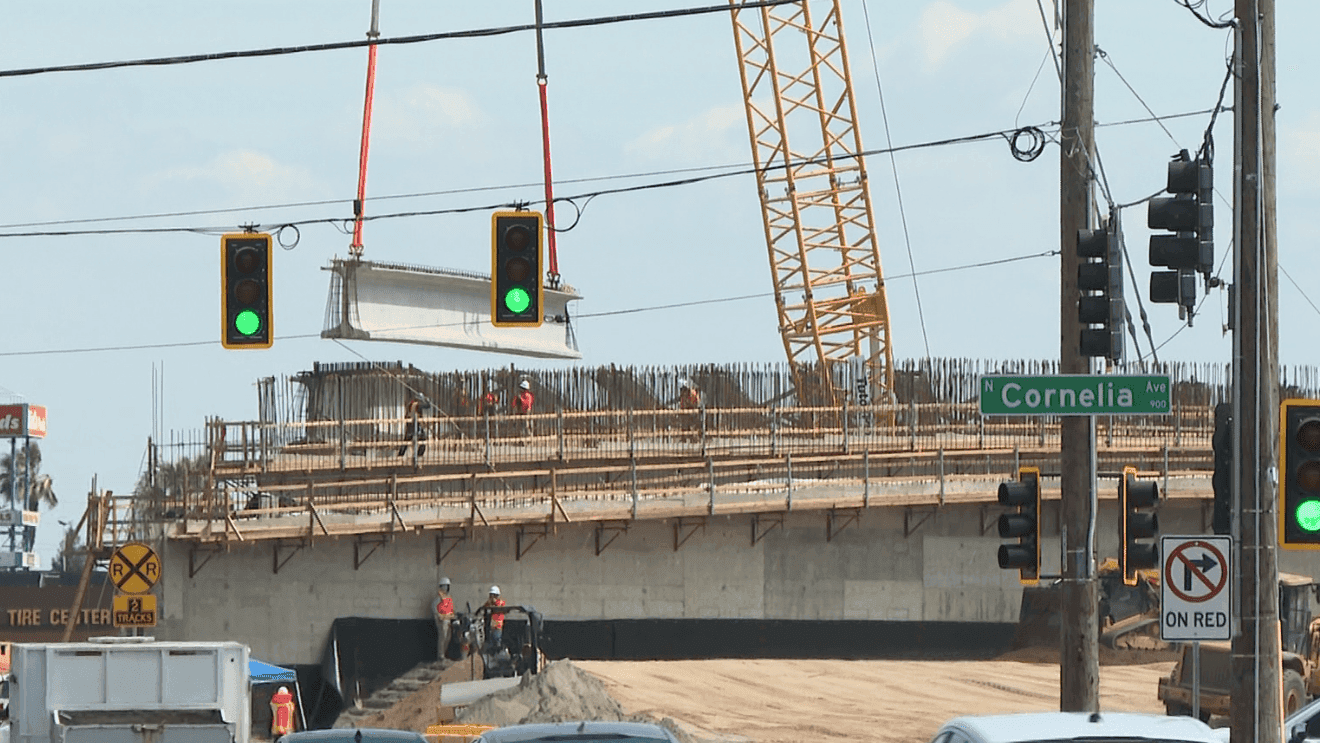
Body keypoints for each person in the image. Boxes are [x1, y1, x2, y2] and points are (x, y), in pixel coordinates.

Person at [433, 577, 456, 660]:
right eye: (444, 586)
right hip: (442, 622)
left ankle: (443, 654)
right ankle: (440, 655)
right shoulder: (438, 599)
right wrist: (439, 617)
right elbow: (435, 609)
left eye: (447, 586)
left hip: (448, 621)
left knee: (448, 638)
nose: (446, 588)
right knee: (442, 638)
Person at [483, 585, 506, 652]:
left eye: (492, 595)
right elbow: (485, 606)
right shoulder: (490, 603)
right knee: (490, 644)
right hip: (491, 627)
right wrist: (489, 602)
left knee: (497, 643)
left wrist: (493, 601)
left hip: (498, 627)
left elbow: (498, 605)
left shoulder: (501, 602)